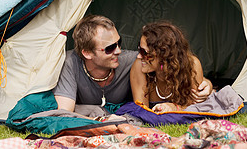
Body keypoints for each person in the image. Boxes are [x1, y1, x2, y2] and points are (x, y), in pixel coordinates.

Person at [53, 15, 211, 114]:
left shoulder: (131, 61)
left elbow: (196, 101)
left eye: (119, 43)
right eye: (110, 48)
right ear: (87, 53)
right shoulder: (70, 63)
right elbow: (63, 113)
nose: (119, 51)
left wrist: (209, 85)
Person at [130, 21, 210, 113]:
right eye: (139, 49)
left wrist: (174, 107)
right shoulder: (139, 66)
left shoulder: (192, 65)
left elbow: (196, 107)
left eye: (145, 52)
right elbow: (142, 112)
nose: (139, 56)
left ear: (164, 55)